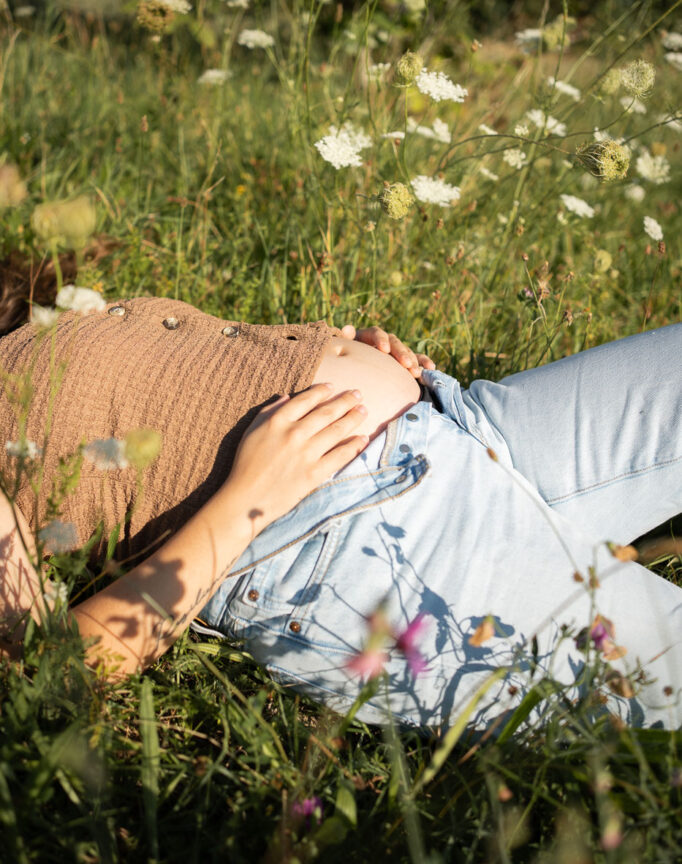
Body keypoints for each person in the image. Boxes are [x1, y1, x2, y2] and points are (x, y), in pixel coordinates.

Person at [1, 255, 681, 733]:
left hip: (458, 419)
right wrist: (252, 497)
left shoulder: (27, 326)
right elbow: (54, 677)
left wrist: (333, 349)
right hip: (346, 552)